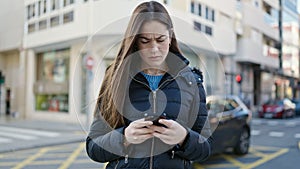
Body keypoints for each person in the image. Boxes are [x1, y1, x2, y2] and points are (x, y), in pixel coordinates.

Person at [86, 1, 212, 169]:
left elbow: (206, 148)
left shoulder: (192, 82)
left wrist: (184, 138)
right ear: (135, 41)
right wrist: (124, 138)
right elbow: (93, 147)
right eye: (145, 41)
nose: (154, 49)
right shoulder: (116, 77)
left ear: (170, 37)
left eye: (161, 39)